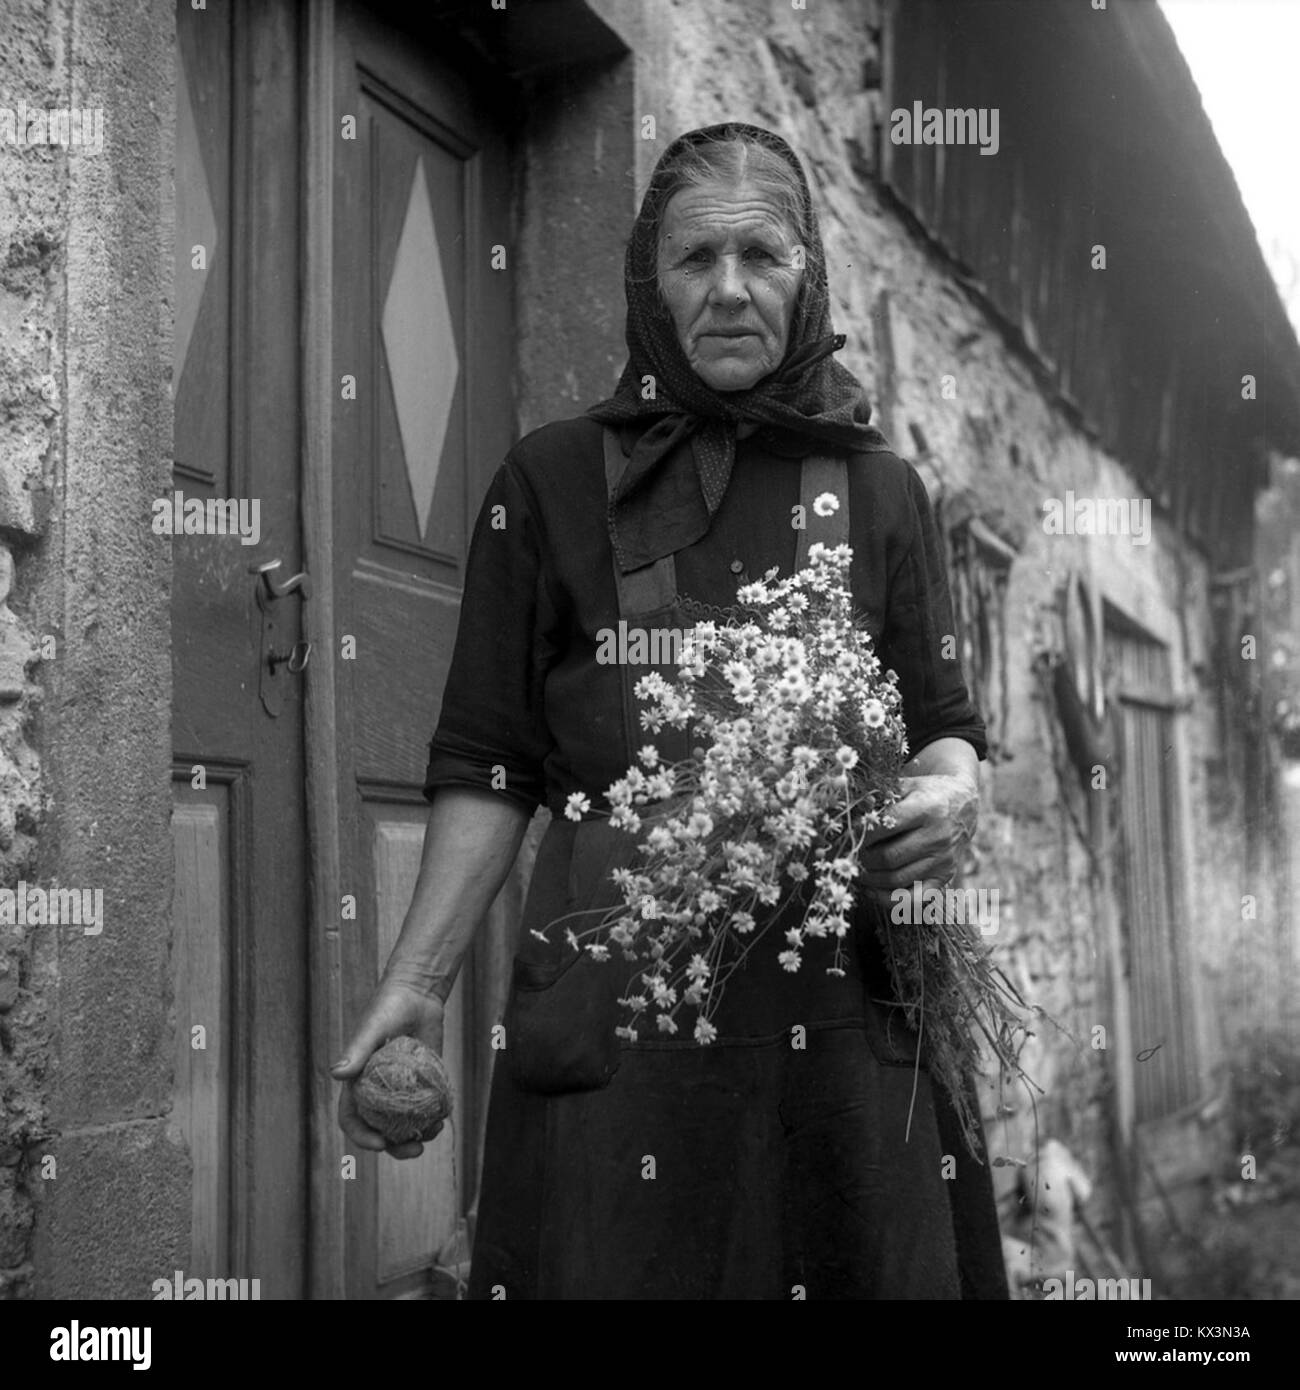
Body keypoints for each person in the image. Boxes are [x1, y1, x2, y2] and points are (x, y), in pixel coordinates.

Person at [333, 122, 1007, 1300]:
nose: (731, 290)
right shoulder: (545, 481)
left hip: (842, 1010)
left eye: (764, 255)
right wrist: (419, 980)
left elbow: (944, 718)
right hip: (620, 1011)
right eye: (696, 260)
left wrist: (947, 789)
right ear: (650, 281)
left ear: (811, 275)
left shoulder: (882, 492)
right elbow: (489, 761)